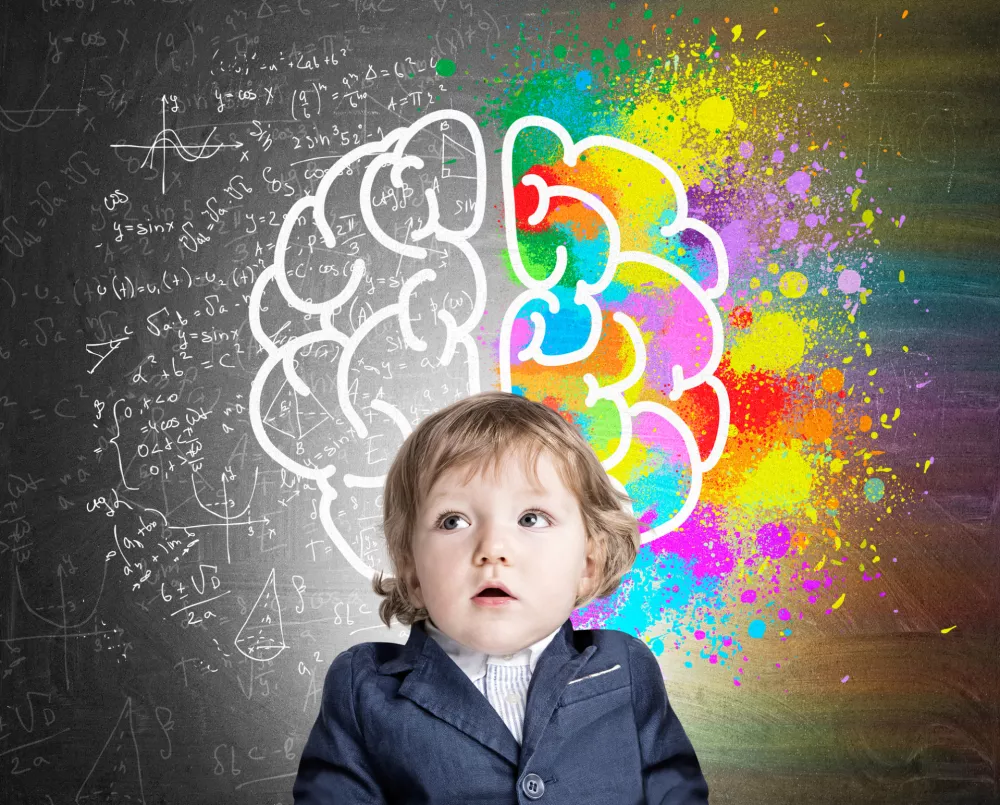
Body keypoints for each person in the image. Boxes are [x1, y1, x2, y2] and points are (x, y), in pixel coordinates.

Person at [293, 390, 709, 804]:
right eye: (453, 521)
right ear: (411, 569)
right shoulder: (365, 687)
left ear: (588, 562)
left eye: (531, 518)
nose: (492, 548)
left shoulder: (624, 666)